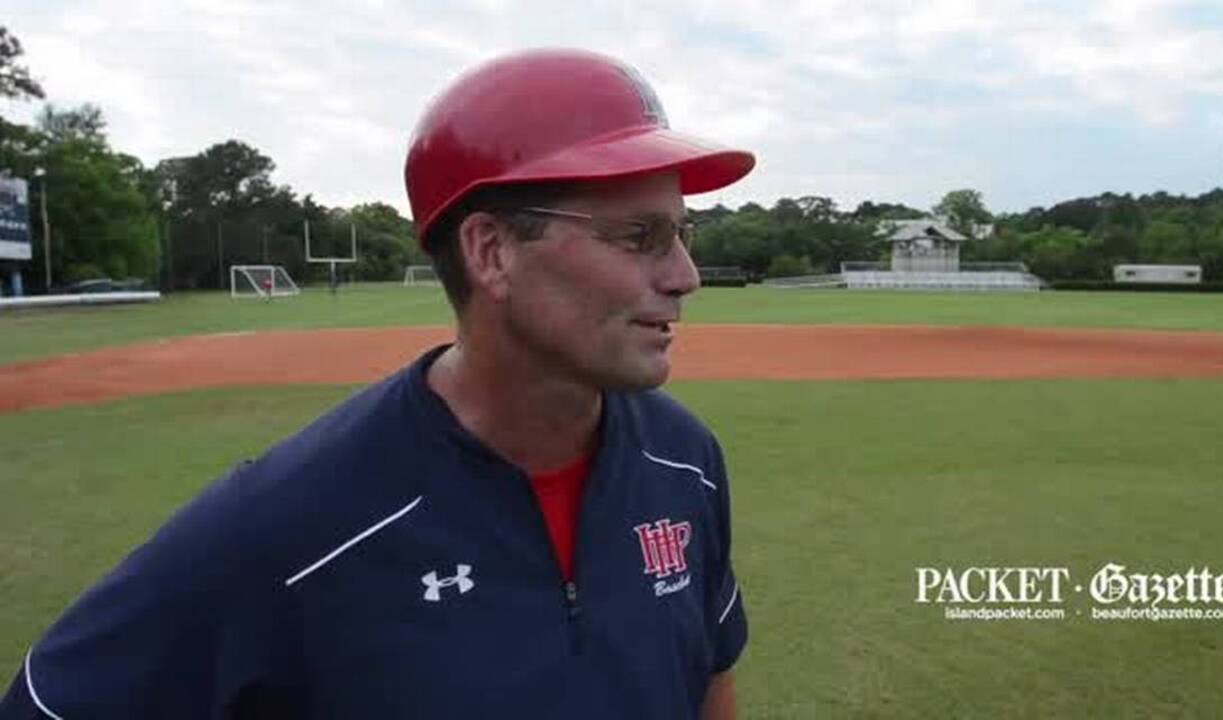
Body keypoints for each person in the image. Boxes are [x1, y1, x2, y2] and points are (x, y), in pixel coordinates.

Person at [1, 48, 755, 719]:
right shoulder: (292, 521)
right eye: (639, 237)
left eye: (682, 234)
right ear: (490, 252)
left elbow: (707, 680)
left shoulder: (685, 460)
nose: (684, 276)